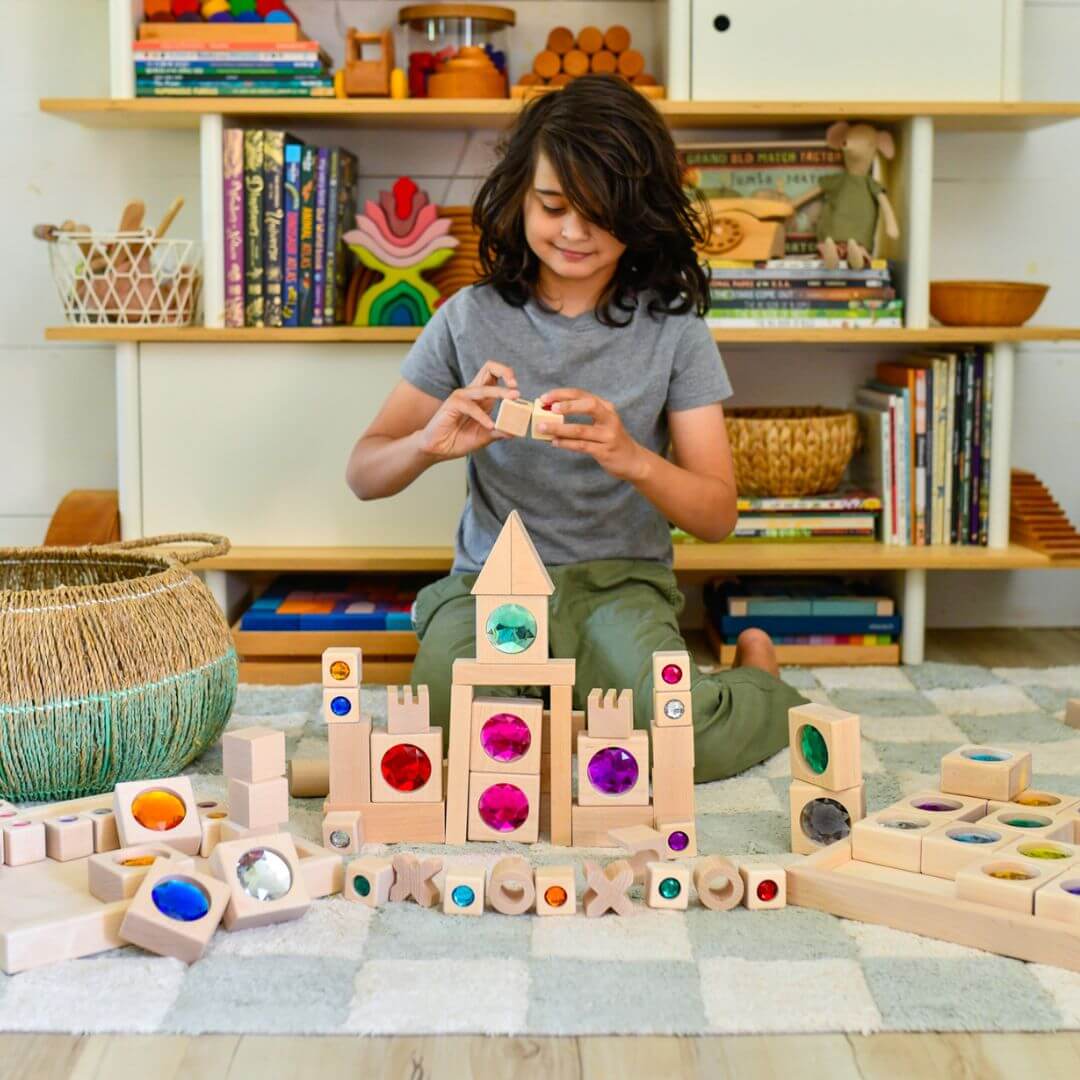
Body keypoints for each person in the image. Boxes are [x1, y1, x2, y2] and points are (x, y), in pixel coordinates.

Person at [346, 75, 806, 781]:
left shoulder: (675, 330)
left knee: (687, 745)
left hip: (619, 587)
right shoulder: (469, 317)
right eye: (553, 205)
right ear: (520, 199)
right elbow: (364, 473)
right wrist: (427, 443)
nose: (573, 233)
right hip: (489, 588)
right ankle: (556, 706)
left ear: (641, 211)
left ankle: (756, 672)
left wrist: (632, 459)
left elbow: (717, 515)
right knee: (444, 739)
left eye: (599, 213)